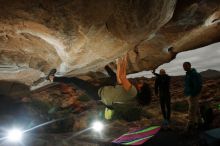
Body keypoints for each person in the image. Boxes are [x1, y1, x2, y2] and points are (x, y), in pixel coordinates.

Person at [47, 55, 151, 119]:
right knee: (113, 77)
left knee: (75, 81)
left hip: (97, 94)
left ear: (141, 90)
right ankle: (104, 65)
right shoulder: (132, 95)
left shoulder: (133, 91)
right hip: (106, 89)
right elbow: (120, 79)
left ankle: (52, 78)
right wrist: (122, 60)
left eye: (142, 84)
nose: (140, 82)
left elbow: (122, 77)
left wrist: (121, 60)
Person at [183, 62, 202, 131]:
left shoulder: (194, 74)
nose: (184, 67)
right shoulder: (188, 74)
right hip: (189, 95)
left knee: (191, 110)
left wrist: (192, 94)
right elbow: (188, 85)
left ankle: (190, 126)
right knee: (196, 109)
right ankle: (200, 122)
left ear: (190, 66)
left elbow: (198, 86)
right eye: (183, 66)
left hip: (193, 95)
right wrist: (186, 93)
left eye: (185, 66)